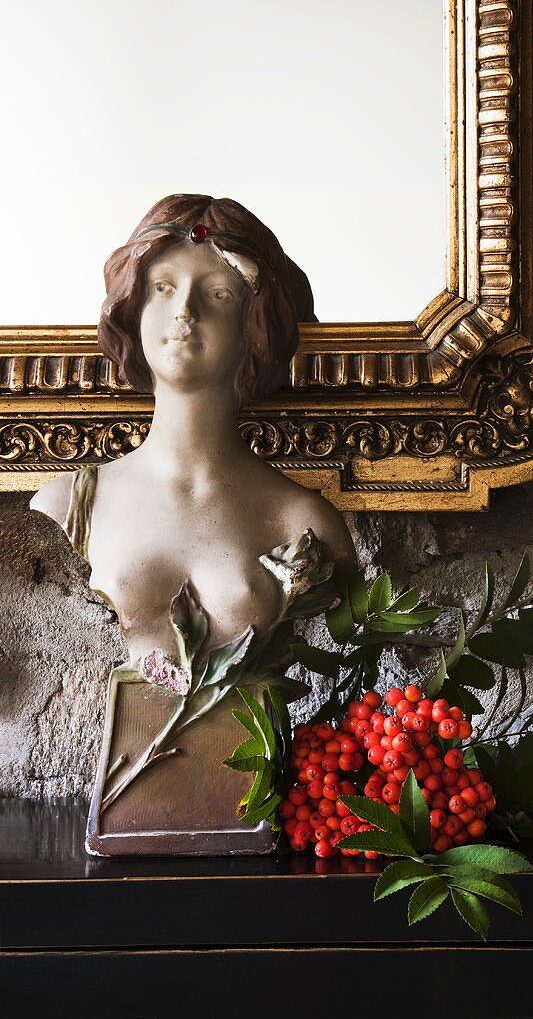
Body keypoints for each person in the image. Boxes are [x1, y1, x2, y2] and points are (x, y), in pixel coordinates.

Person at [30, 194, 355, 854]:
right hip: (82, 832)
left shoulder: (306, 520)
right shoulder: (65, 508)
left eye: (219, 295)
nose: (185, 312)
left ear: (254, 324)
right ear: (133, 306)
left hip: (251, 834)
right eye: (164, 288)